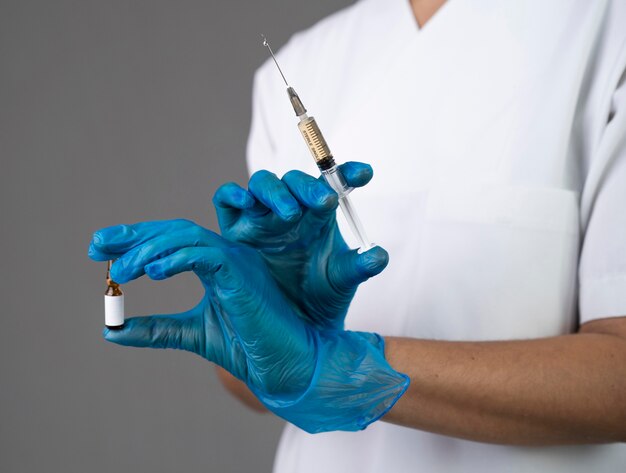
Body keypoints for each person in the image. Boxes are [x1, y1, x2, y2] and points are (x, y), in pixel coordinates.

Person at [89, 0, 626, 471]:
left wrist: (346, 367)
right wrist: (256, 312)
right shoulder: (311, 55)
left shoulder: (605, 28)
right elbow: (256, 383)